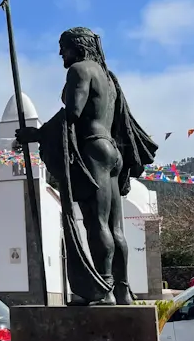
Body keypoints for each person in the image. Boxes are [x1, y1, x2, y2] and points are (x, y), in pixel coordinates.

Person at [16, 27, 157, 305]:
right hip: (112, 152)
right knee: (116, 227)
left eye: (64, 47)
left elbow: (73, 112)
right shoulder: (109, 78)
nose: (60, 53)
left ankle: (103, 289)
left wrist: (39, 133)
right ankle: (122, 290)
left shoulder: (80, 70)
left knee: (96, 222)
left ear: (78, 47)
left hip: (92, 149)